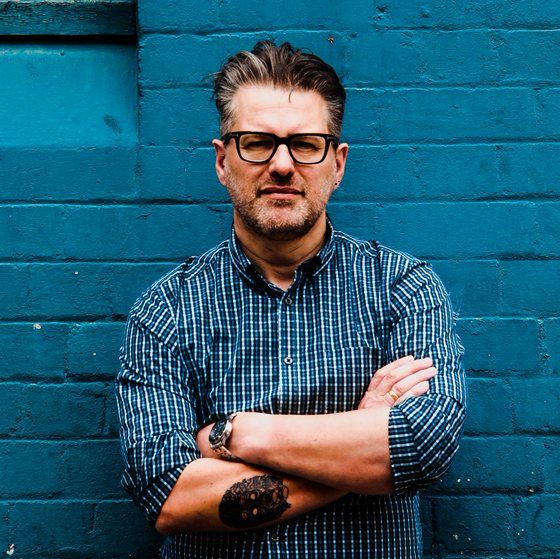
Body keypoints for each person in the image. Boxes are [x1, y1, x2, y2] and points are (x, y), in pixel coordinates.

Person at [116, 41, 467, 558]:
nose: (282, 165)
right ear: (222, 161)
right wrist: (362, 445)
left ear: (338, 163)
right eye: (257, 143)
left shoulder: (402, 287)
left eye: (305, 144)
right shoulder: (166, 310)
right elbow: (167, 495)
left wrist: (236, 433)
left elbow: (423, 445)